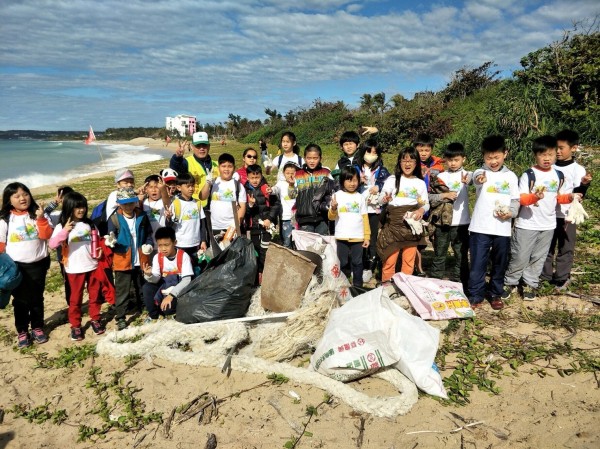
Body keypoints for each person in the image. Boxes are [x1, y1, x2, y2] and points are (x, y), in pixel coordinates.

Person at [503, 136, 575, 301]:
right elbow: (521, 199)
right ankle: (510, 282)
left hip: (548, 225)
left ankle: (530, 283)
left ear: (555, 154)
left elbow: (558, 197)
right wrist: (535, 197)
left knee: (539, 257)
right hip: (527, 224)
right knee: (520, 255)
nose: (547, 158)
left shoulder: (559, 175)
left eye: (550, 154)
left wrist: (570, 197)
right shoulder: (529, 175)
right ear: (535, 155)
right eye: (543, 155)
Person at [467, 135, 519, 310]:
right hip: (480, 227)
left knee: (500, 263)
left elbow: (515, 200)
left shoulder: (511, 177)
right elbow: (474, 178)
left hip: (502, 229)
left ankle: (495, 293)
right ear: (483, 157)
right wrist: (478, 179)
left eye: (496, 157)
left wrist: (511, 213)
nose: (493, 161)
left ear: (505, 154)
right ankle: (475, 294)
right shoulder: (481, 173)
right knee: (477, 263)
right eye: (489, 158)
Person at [0, 182, 53, 348]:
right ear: (9, 200)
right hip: (16, 268)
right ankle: (22, 330)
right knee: (20, 300)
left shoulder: (38, 214)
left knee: (37, 298)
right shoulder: (5, 219)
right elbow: (1, 245)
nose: (22, 198)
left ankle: (37, 327)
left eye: (25, 194)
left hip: (39, 264)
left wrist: (41, 218)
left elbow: (46, 235)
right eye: (16, 196)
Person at [49, 192, 106, 341]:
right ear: (69, 208)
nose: (81, 210)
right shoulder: (62, 226)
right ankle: (75, 325)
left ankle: (95, 319)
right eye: (77, 207)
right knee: (75, 299)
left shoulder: (90, 224)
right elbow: (52, 244)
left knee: (95, 295)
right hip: (74, 268)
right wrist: (65, 231)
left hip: (92, 266)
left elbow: (97, 241)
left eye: (83, 207)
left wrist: (99, 252)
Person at [541, 130, 593, 290]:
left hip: (567, 214)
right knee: (546, 246)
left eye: (561, 148)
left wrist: (584, 184)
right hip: (548, 213)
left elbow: (579, 194)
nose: (557, 151)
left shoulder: (578, 170)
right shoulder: (549, 167)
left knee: (566, 246)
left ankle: (562, 277)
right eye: (556, 147)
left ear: (574, 148)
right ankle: (544, 276)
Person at [376, 148, 429, 282]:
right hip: (393, 226)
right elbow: (380, 198)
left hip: (410, 228)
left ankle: (405, 289)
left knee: (408, 262)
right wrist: (385, 199)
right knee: (389, 261)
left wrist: (420, 211)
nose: (407, 163)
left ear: (417, 163)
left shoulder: (420, 183)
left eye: (411, 160)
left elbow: (425, 204)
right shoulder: (392, 179)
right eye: (404, 160)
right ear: (399, 162)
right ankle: (387, 289)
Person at [106, 187, 153, 330]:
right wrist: (111, 243)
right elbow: (110, 237)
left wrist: (149, 245)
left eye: (131, 203)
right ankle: (120, 317)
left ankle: (144, 308)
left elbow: (149, 234)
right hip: (122, 259)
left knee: (142, 285)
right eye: (125, 203)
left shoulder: (142, 216)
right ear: (119, 203)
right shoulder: (114, 218)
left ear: (135, 202)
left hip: (141, 257)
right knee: (122, 291)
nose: (128, 206)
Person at [428, 143, 471, 289]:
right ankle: (436, 281)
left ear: (463, 159)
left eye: (456, 160)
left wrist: (470, 181)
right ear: (445, 160)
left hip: (462, 223)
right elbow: (430, 197)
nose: (453, 163)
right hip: (442, 222)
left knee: (461, 255)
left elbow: (477, 180)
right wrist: (444, 195)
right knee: (439, 253)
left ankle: (460, 282)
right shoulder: (439, 176)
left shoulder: (468, 175)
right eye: (450, 160)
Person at [355, 139, 390, 281]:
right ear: (363, 152)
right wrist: (358, 180)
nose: (371, 155)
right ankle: (360, 264)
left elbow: (388, 183)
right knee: (360, 237)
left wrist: (379, 186)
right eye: (369, 151)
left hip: (374, 210)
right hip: (358, 209)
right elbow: (346, 182)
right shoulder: (355, 168)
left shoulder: (382, 170)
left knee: (373, 238)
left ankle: (371, 265)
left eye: (375, 152)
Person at [328, 166, 370, 287]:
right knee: (343, 262)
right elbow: (331, 217)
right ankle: (342, 284)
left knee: (357, 262)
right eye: (349, 180)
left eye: (355, 180)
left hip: (358, 237)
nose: (352, 183)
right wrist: (334, 208)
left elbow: (365, 218)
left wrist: (367, 236)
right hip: (342, 237)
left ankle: (357, 285)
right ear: (342, 181)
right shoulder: (337, 196)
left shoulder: (360, 198)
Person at [141, 226, 193, 322]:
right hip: (164, 287)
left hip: (178, 290)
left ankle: (168, 312)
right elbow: (156, 279)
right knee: (147, 287)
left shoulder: (183, 256)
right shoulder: (157, 257)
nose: (163, 249)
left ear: (175, 243)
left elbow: (186, 280)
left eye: (166, 245)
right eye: (160, 245)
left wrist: (171, 296)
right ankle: (154, 316)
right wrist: (149, 275)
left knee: (168, 309)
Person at [244, 164, 281, 285]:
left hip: (266, 227)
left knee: (266, 251)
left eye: (257, 177)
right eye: (252, 178)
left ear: (261, 176)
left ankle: (266, 276)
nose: (255, 180)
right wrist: (250, 205)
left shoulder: (267, 189)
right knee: (255, 251)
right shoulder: (245, 190)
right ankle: (257, 277)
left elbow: (276, 205)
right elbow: (245, 212)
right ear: (247, 178)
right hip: (253, 227)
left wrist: (269, 219)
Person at [413, 133, 444, 276]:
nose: (423, 153)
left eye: (427, 150)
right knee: (417, 240)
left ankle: (437, 268)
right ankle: (418, 269)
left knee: (436, 238)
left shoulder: (438, 166)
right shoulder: (411, 165)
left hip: (434, 205)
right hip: (417, 205)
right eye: (420, 150)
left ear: (431, 149)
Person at [289, 144, 334, 236]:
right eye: (309, 158)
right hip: (304, 218)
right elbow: (292, 196)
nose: (312, 161)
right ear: (305, 158)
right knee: (306, 248)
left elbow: (332, 193)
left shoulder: (326, 173)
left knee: (321, 247)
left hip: (322, 218)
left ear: (320, 158)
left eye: (315, 158)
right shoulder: (297, 174)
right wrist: (291, 185)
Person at [168, 172, 208, 275]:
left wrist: (203, 240)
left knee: (196, 270)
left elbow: (202, 223)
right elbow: (170, 227)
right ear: (179, 187)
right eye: (188, 186)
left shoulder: (197, 203)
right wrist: (168, 218)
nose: (191, 189)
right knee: (182, 271)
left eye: (192, 186)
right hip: (180, 245)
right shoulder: (176, 204)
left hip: (195, 245)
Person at [169, 132, 220, 207]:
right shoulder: (186, 162)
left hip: (216, 207)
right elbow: (175, 168)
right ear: (192, 147)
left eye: (204, 145)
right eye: (198, 146)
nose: (201, 148)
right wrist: (177, 157)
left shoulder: (217, 164)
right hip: (194, 207)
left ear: (209, 146)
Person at [203, 153, 247, 237]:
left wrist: (234, 227)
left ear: (234, 168)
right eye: (223, 166)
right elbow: (203, 196)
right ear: (218, 167)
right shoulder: (213, 183)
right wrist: (207, 183)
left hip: (231, 228)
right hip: (213, 227)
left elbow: (242, 208)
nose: (226, 169)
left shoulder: (238, 186)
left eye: (230, 166)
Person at [44, 185, 74, 305]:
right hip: (63, 256)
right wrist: (54, 202)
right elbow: (44, 214)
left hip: (79, 253)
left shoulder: (78, 213)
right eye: (62, 198)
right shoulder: (57, 215)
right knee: (68, 280)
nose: (66, 201)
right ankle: (71, 303)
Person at [271, 162, 299, 248]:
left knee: (297, 241)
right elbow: (275, 189)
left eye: (292, 173)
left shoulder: (298, 183)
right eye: (287, 173)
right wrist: (270, 190)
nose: (290, 175)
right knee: (287, 241)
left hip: (297, 217)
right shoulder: (281, 183)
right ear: (283, 173)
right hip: (285, 217)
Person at [142, 174, 167, 238]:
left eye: (157, 187)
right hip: (149, 242)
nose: (154, 190)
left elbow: (167, 204)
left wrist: (164, 190)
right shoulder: (143, 203)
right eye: (150, 187)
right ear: (146, 189)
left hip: (163, 239)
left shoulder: (163, 201)